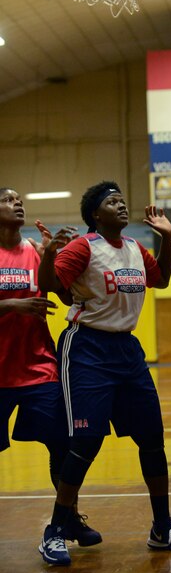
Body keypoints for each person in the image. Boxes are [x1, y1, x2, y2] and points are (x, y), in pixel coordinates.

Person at [37, 181, 171, 566]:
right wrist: (47, 255)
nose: (122, 205)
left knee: (153, 440)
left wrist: (169, 239)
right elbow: (48, 284)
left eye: (122, 200)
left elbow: (161, 279)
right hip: (87, 348)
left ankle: (162, 528)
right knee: (85, 442)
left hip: (126, 350)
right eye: (112, 202)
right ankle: (55, 530)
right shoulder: (83, 247)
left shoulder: (133, 248)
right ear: (96, 215)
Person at [0, 187, 101, 548]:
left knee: (61, 446)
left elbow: (62, 294)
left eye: (19, 201)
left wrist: (52, 257)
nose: (17, 204)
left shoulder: (34, 249)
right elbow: (20, 304)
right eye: (9, 200)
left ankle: (69, 519)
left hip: (39, 367)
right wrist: (13, 306)